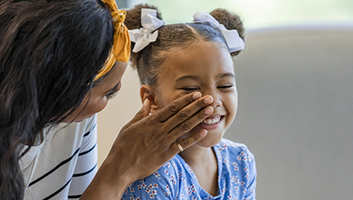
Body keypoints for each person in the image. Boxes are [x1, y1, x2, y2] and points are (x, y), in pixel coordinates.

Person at [0, 0, 216, 199]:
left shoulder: (76, 121)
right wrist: (119, 169)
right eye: (108, 93)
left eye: (225, 85)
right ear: (61, 90)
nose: (212, 99)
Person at [121, 4, 257, 200]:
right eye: (191, 89)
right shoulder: (153, 175)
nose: (212, 100)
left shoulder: (241, 161)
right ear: (151, 99)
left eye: (225, 85)